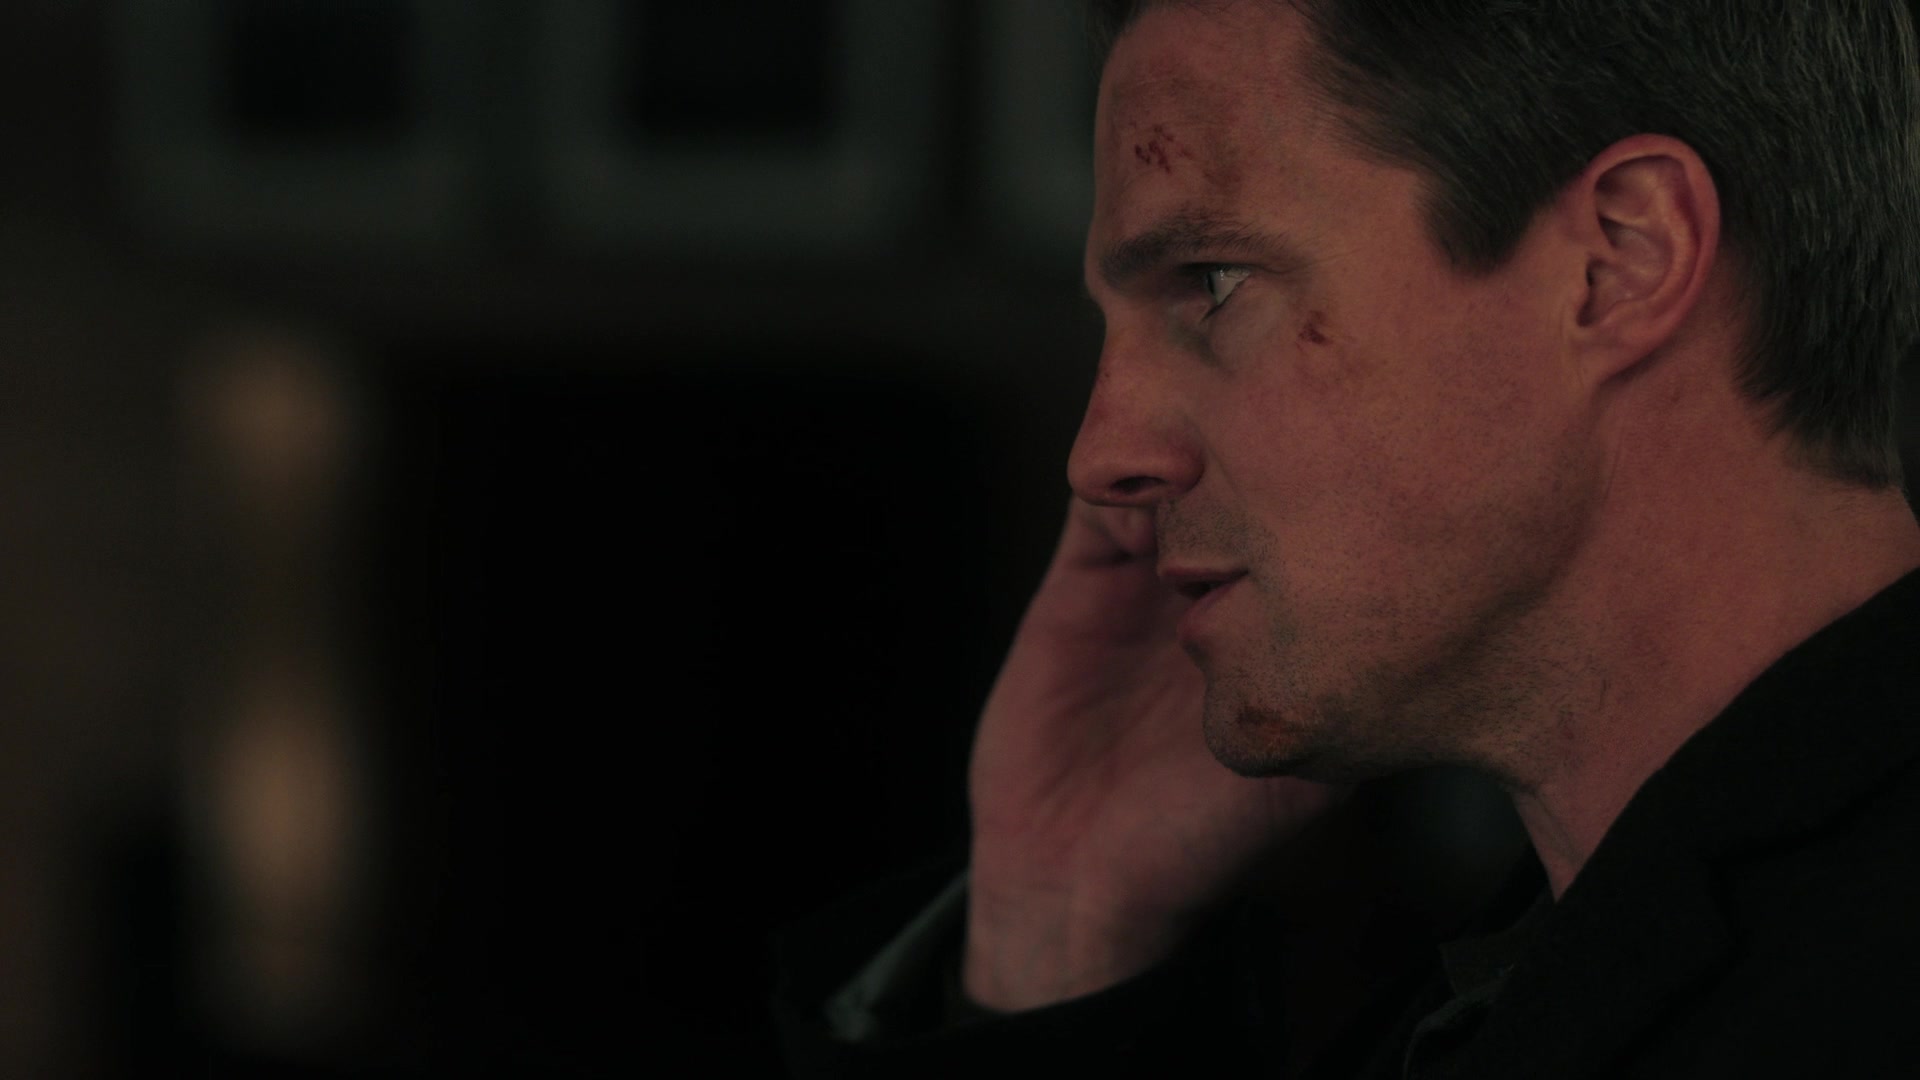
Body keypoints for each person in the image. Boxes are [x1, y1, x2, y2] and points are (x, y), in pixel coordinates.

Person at [774, 0, 1920, 1075]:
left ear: (1622, 258)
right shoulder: (1539, 977)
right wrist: (1062, 921)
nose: (1103, 455)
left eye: (1213, 282)